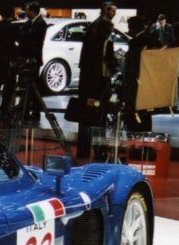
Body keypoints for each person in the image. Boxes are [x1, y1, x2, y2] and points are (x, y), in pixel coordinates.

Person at [76, 1, 118, 159]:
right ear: (106, 10)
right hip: (99, 81)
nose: (114, 14)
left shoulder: (94, 26)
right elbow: (107, 57)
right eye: (113, 11)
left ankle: (83, 150)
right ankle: (99, 151)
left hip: (87, 78)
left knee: (85, 116)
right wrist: (114, 67)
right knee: (98, 116)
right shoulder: (105, 27)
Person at [121, 16, 162, 133]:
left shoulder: (135, 43)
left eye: (129, 28)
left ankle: (136, 147)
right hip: (150, 85)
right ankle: (146, 146)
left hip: (136, 87)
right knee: (146, 118)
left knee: (135, 121)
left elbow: (132, 68)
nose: (129, 31)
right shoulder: (154, 41)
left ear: (133, 29)